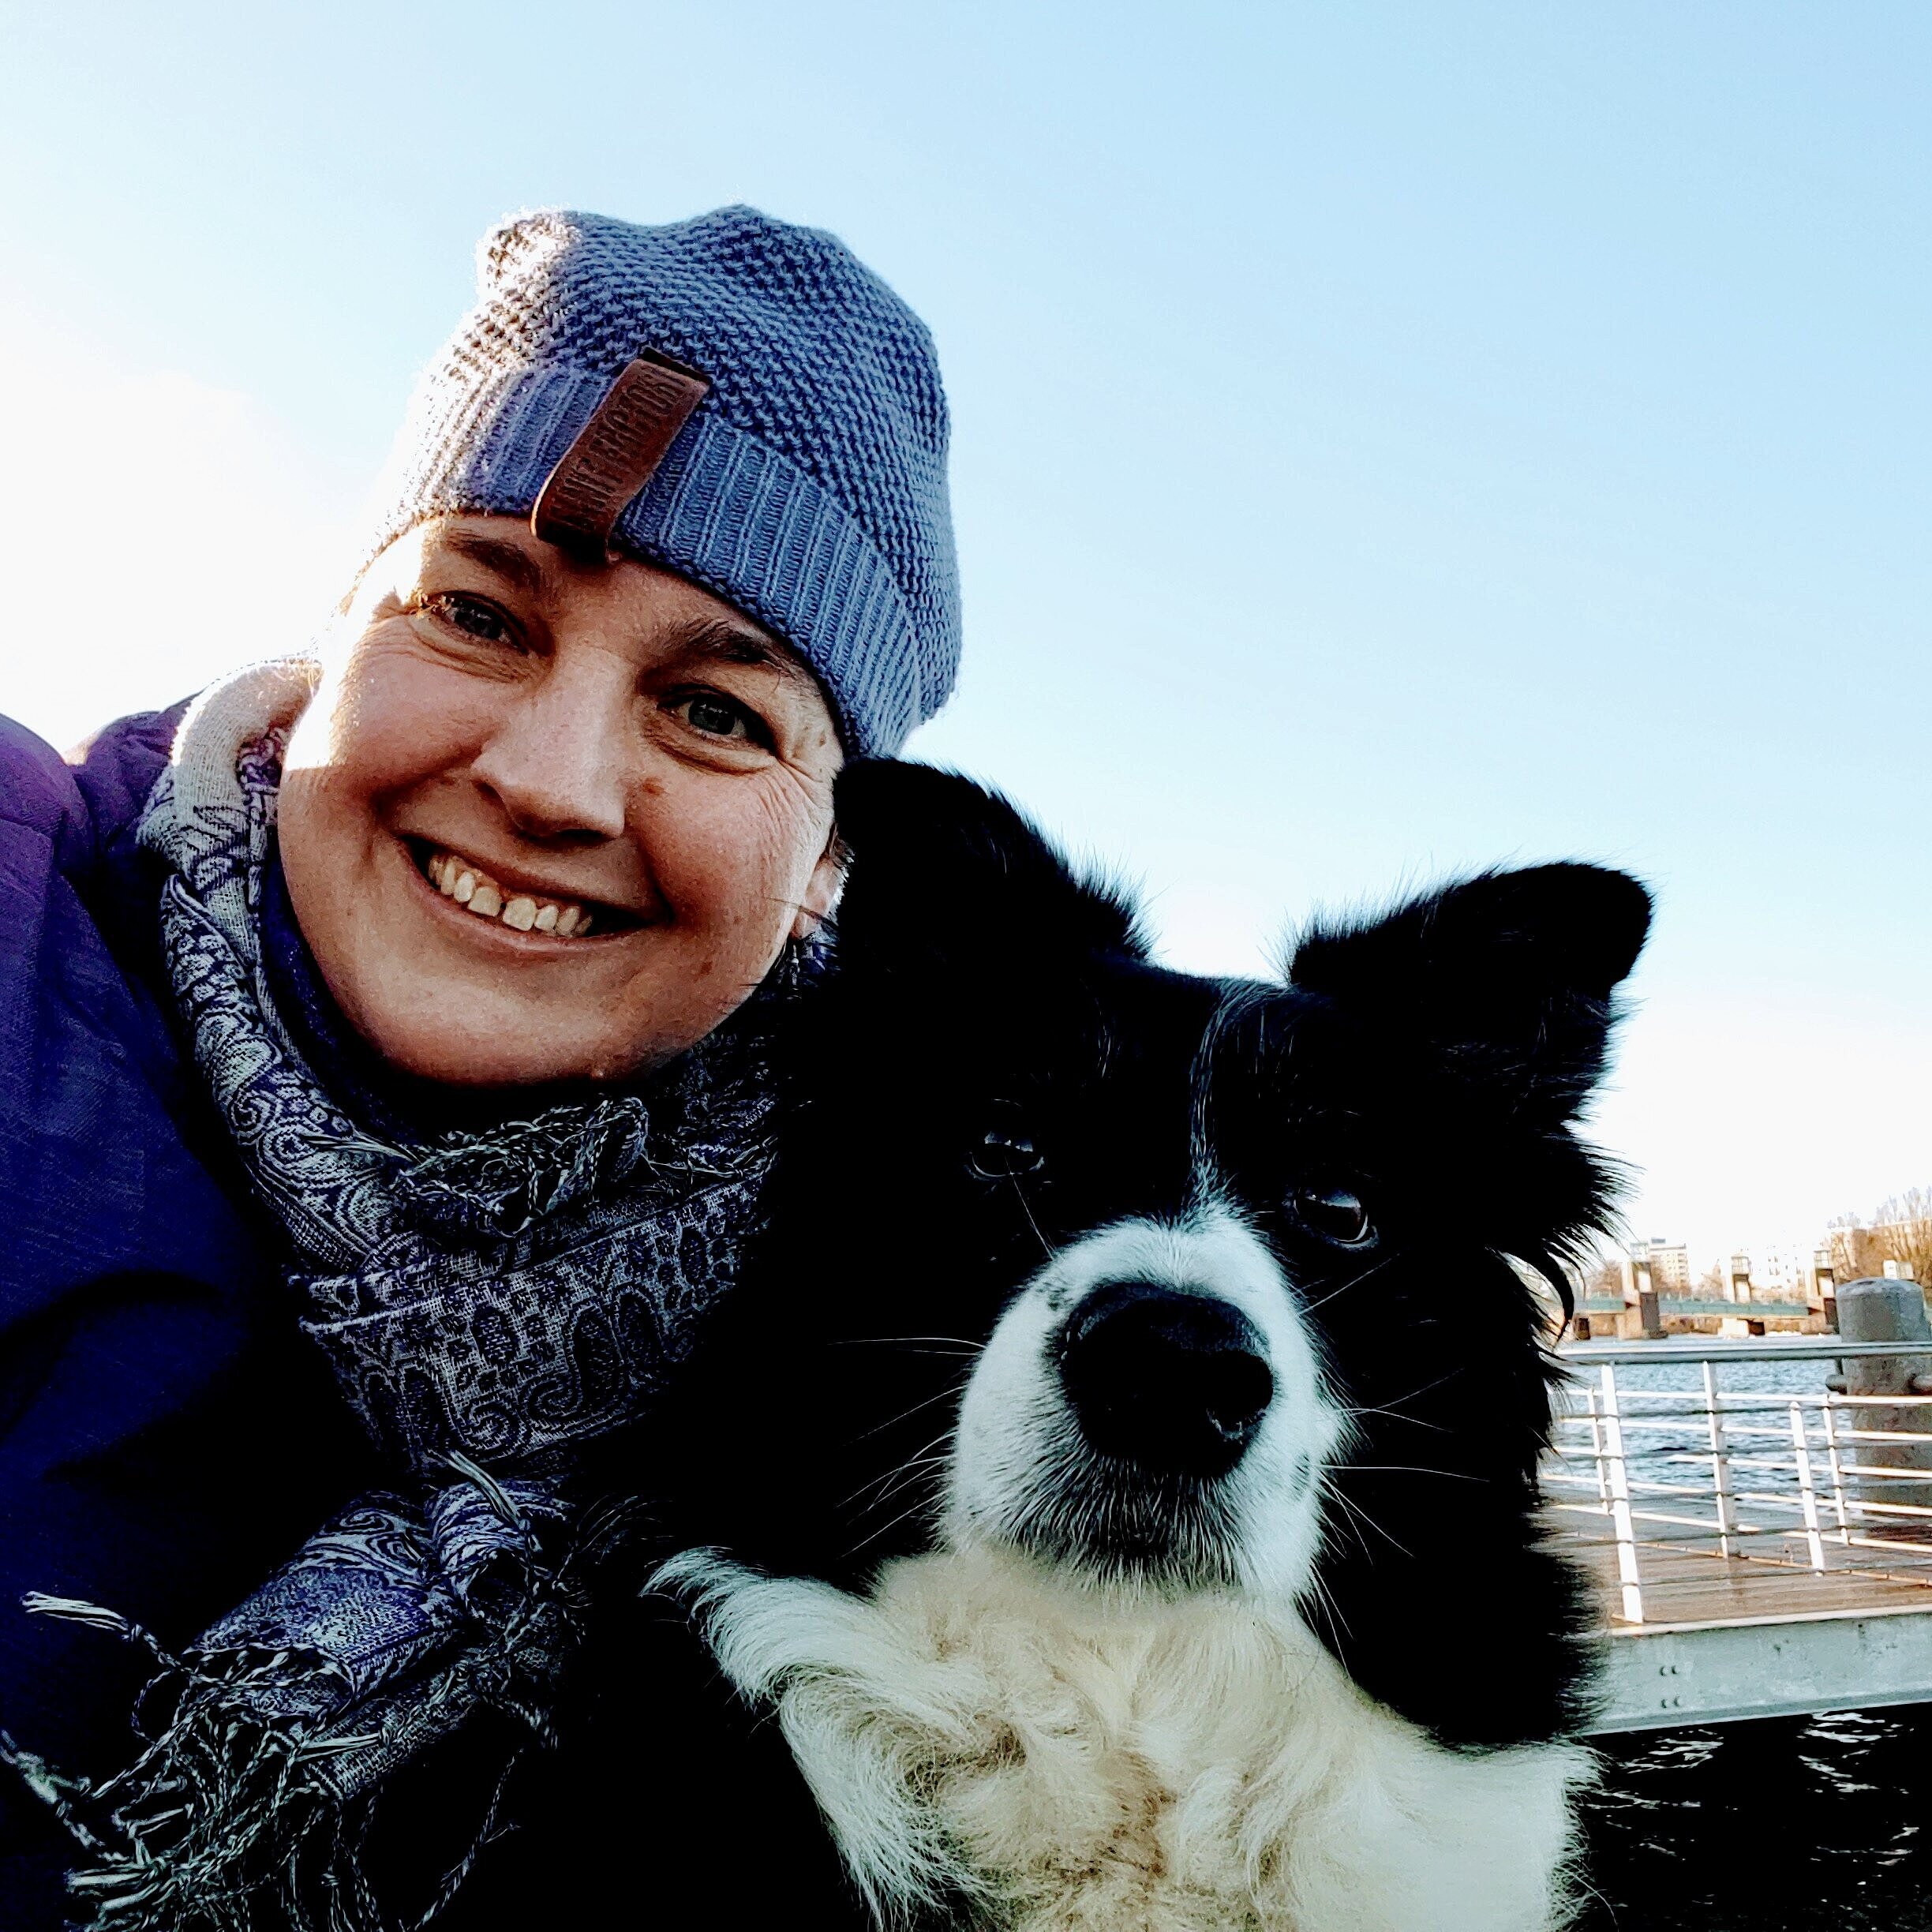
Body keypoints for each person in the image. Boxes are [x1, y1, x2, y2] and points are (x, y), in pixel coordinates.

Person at [0, 205, 959, 1925]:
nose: (556, 784)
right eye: (478, 614)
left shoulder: (921, 1312)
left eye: (717, 713)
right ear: (333, 645)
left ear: (827, 865)